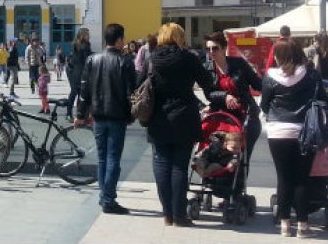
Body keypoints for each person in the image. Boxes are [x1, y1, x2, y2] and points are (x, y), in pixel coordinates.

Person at [143, 23, 216, 227]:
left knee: (161, 165)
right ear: (179, 37)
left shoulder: (152, 59)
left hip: (158, 118)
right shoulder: (188, 58)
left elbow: (139, 84)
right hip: (184, 117)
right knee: (179, 166)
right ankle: (179, 216)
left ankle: (167, 214)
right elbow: (207, 82)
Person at [260, 40, 327, 238]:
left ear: (279, 56)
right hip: (304, 131)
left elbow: (264, 105)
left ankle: (284, 225)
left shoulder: (270, 77)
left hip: (278, 131)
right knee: (302, 179)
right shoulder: (311, 75)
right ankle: (302, 226)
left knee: (284, 178)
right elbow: (323, 100)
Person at [75, 23, 137, 215]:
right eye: (123, 38)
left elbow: (84, 89)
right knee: (113, 159)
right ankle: (108, 199)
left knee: (102, 158)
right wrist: (131, 115)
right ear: (119, 40)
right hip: (117, 116)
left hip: (98, 115)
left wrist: (80, 114)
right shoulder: (125, 62)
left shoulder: (92, 59)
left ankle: (104, 196)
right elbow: (131, 92)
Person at [204, 31, 263, 160]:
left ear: (224, 48)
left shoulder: (239, 64)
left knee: (242, 159)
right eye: (208, 49)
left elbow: (258, 85)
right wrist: (225, 96)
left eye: (215, 48)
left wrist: (273, 82)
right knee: (219, 157)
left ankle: (240, 173)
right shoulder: (207, 69)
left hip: (245, 116)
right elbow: (208, 93)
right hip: (222, 119)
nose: (211, 52)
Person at [67, 29, 93, 121]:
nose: (89, 36)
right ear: (82, 36)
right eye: (87, 35)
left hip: (75, 69)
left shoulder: (82, 44)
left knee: (78, 92)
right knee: (75, 92)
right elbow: (87, 58)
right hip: (76, 70)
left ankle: (77, 114)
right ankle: (72, 114)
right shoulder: (82, 45)